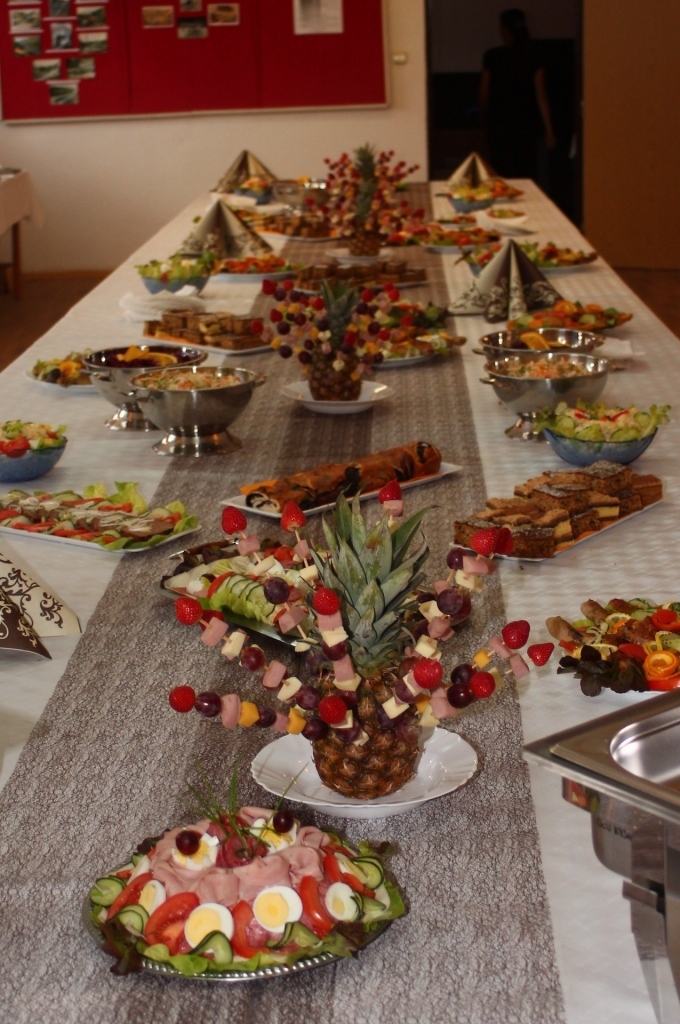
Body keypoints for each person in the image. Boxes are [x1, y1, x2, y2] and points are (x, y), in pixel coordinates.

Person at [479, 8, 555, 180]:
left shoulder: (492, 56)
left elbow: (483, 93)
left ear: (505, 30)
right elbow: (541, 95)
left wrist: (482, 117)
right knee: (526, 173)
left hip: (498, 124)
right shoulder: (535, 55)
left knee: (501, 174)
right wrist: (549, 131)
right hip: (526, 125)